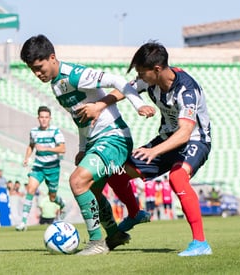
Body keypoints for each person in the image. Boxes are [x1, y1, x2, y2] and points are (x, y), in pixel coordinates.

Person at [19, 34, 155, 255]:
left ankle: (96, 242)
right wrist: (83, 148)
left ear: (52, 57)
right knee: (91, 191)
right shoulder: (56, 85)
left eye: (39, 67)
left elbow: (119, 82)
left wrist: (138, 105)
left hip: (114, 138)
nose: (37, 74)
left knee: (77, 182)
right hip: (96, 141)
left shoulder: (74, 75)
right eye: (32, 70)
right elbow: (81, 119)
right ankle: (114, 234)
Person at [97, 42, 212, 256]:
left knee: (177, 178)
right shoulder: (150, 81)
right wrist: (99, 105)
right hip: (167, 140)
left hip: (195, 140)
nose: (140, 77)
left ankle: (200, 243)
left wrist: (154, 151)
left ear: (157, 69)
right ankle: (135, 214)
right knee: (116, 173)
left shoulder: (187, 90)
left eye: (142, 72)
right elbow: (125, 90)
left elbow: (186, 131)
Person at [15, 106, 67, 231]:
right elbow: (31, 145)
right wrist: (27, 157)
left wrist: (46, 149)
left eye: (46, 117)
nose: (44, 120)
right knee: (31, 189)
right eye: (41, 117)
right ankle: (23, 222)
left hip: (53, 168)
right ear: (38, 118)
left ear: (50, 118)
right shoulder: (34, 131)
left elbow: (62, 149)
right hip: (38, 167)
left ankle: (62, 204)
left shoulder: (56, 131)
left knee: (52, 197)